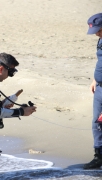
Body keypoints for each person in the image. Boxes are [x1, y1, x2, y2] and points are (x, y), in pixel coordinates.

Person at [84, 13, 102, 170]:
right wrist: (95, 80)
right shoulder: (100, 40)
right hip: (99, 88)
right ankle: (99, 157)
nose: (96, 33)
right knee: (97, 123)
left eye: (98, 30)